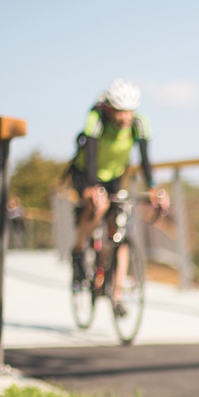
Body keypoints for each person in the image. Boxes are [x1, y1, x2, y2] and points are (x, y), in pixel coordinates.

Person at [67, 78, 168, 315]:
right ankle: (78, 250)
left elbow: (144, 158)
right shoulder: (96, 119)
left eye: (129, 113)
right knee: (99, 207)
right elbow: (90, 155)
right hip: (86, 173)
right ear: (110, 109)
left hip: (114, 176)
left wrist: (153, 188)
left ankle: (117, 295)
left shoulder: (139, 124)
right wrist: (92, 187)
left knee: (119, 235)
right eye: (120, 113)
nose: (125, 118)